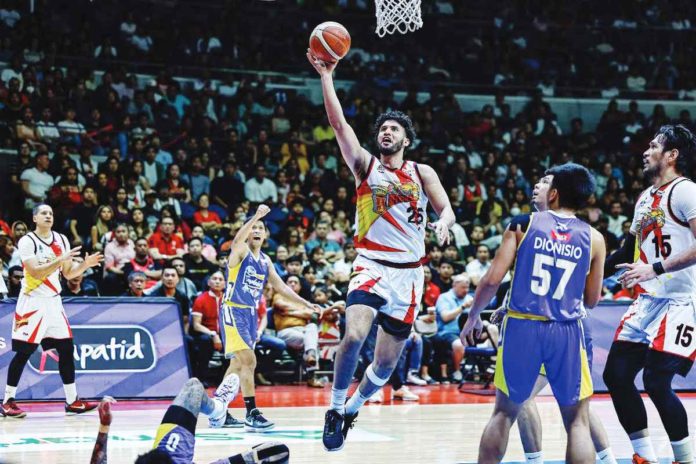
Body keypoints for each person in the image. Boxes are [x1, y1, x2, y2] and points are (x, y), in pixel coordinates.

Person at [307, 51, 455, 452]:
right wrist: (327, 77)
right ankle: (335, 408)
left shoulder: (422, 172)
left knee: (386, 366)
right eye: (383, 129)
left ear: (406, 139)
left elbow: (446, 208)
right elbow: (338, 123)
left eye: (394, 129)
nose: (386, 132)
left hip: (409, 274)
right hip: (371, 264)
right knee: (354, 334)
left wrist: (444, 222)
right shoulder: (365, 167)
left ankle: (354, 407)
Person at [460, 163, 606, 463]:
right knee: (577, 421)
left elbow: (491, 280)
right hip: (567, 330)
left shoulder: (521, 225)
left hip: (522, 327)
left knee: (503, 413)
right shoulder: (595, 238)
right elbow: (591, 300)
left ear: (553, 194)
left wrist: (474, 316)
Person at [508, 173, 616, 464]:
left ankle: (538, 460)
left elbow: (588, 296)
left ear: (557, 192)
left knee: (534, 400)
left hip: (565, 329)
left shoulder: (581, 234)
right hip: (543, 326)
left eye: (544, 182)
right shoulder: (529, 226)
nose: (536, 185)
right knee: (576, 408)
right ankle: (608, 459)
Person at [603, 125, 696, 464]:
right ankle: (644, 456)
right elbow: (627, 249)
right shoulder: (645, 197)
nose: (646, 150)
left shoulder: (686, 192)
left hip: (681, 301)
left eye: (654, 145)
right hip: (648, 300)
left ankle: (684, 459)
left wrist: (655, 268)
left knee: (657, 382)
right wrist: (590, 271)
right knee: (616, 375)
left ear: (672, 155)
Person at [218, 204, 317, 431]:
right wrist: (256, 217)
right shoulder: (240, 252)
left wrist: (306, 303)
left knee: (237, 364)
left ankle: (220, 410)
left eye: (260, 228)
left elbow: (281, 287)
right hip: (234, 310)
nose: (256, 230)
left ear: (265, 234)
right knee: (249, 361)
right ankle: (251, 412)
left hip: (251, 315)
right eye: (253, 227)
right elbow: (235, 243)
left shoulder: (265, 261)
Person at [1, 204, 104, 418]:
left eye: (51, 213)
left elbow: (67, 274)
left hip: (54, 302)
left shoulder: (61, 240)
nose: (49, 216)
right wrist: (60, 259)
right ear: (35, 218)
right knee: (24, 353)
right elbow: (36, 273)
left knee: (66, 349)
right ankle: (8, 401)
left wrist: (85, 264)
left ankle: (72, 401)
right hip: (32, 302)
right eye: (44, 213)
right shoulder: (27, 241)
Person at [88, 375, 289, 464]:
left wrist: (104, 426)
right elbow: (279, 451)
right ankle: (218, 410)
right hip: (173, 458)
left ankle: (218, 411)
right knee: (278, 451)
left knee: (193, 387)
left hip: (170, 455)